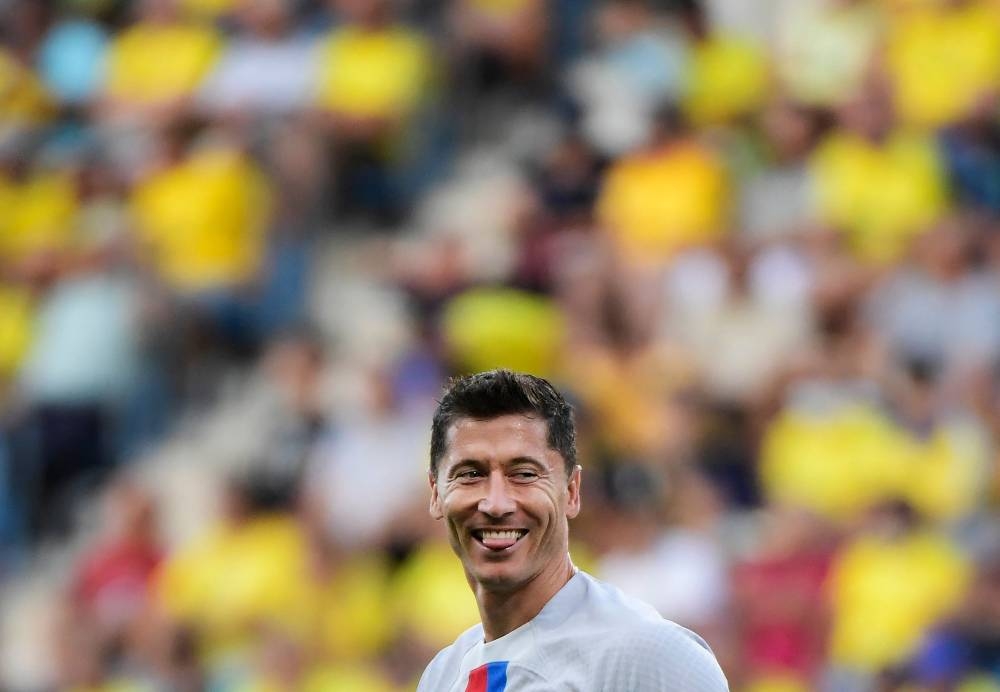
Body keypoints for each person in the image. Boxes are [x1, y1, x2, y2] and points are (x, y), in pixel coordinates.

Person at [417, 369, 729, 691]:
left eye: (524, 474)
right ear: (436, 494)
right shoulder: (442, 676)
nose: (496, 504)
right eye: (470, 474)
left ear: (572, 491)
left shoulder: (652, 659)